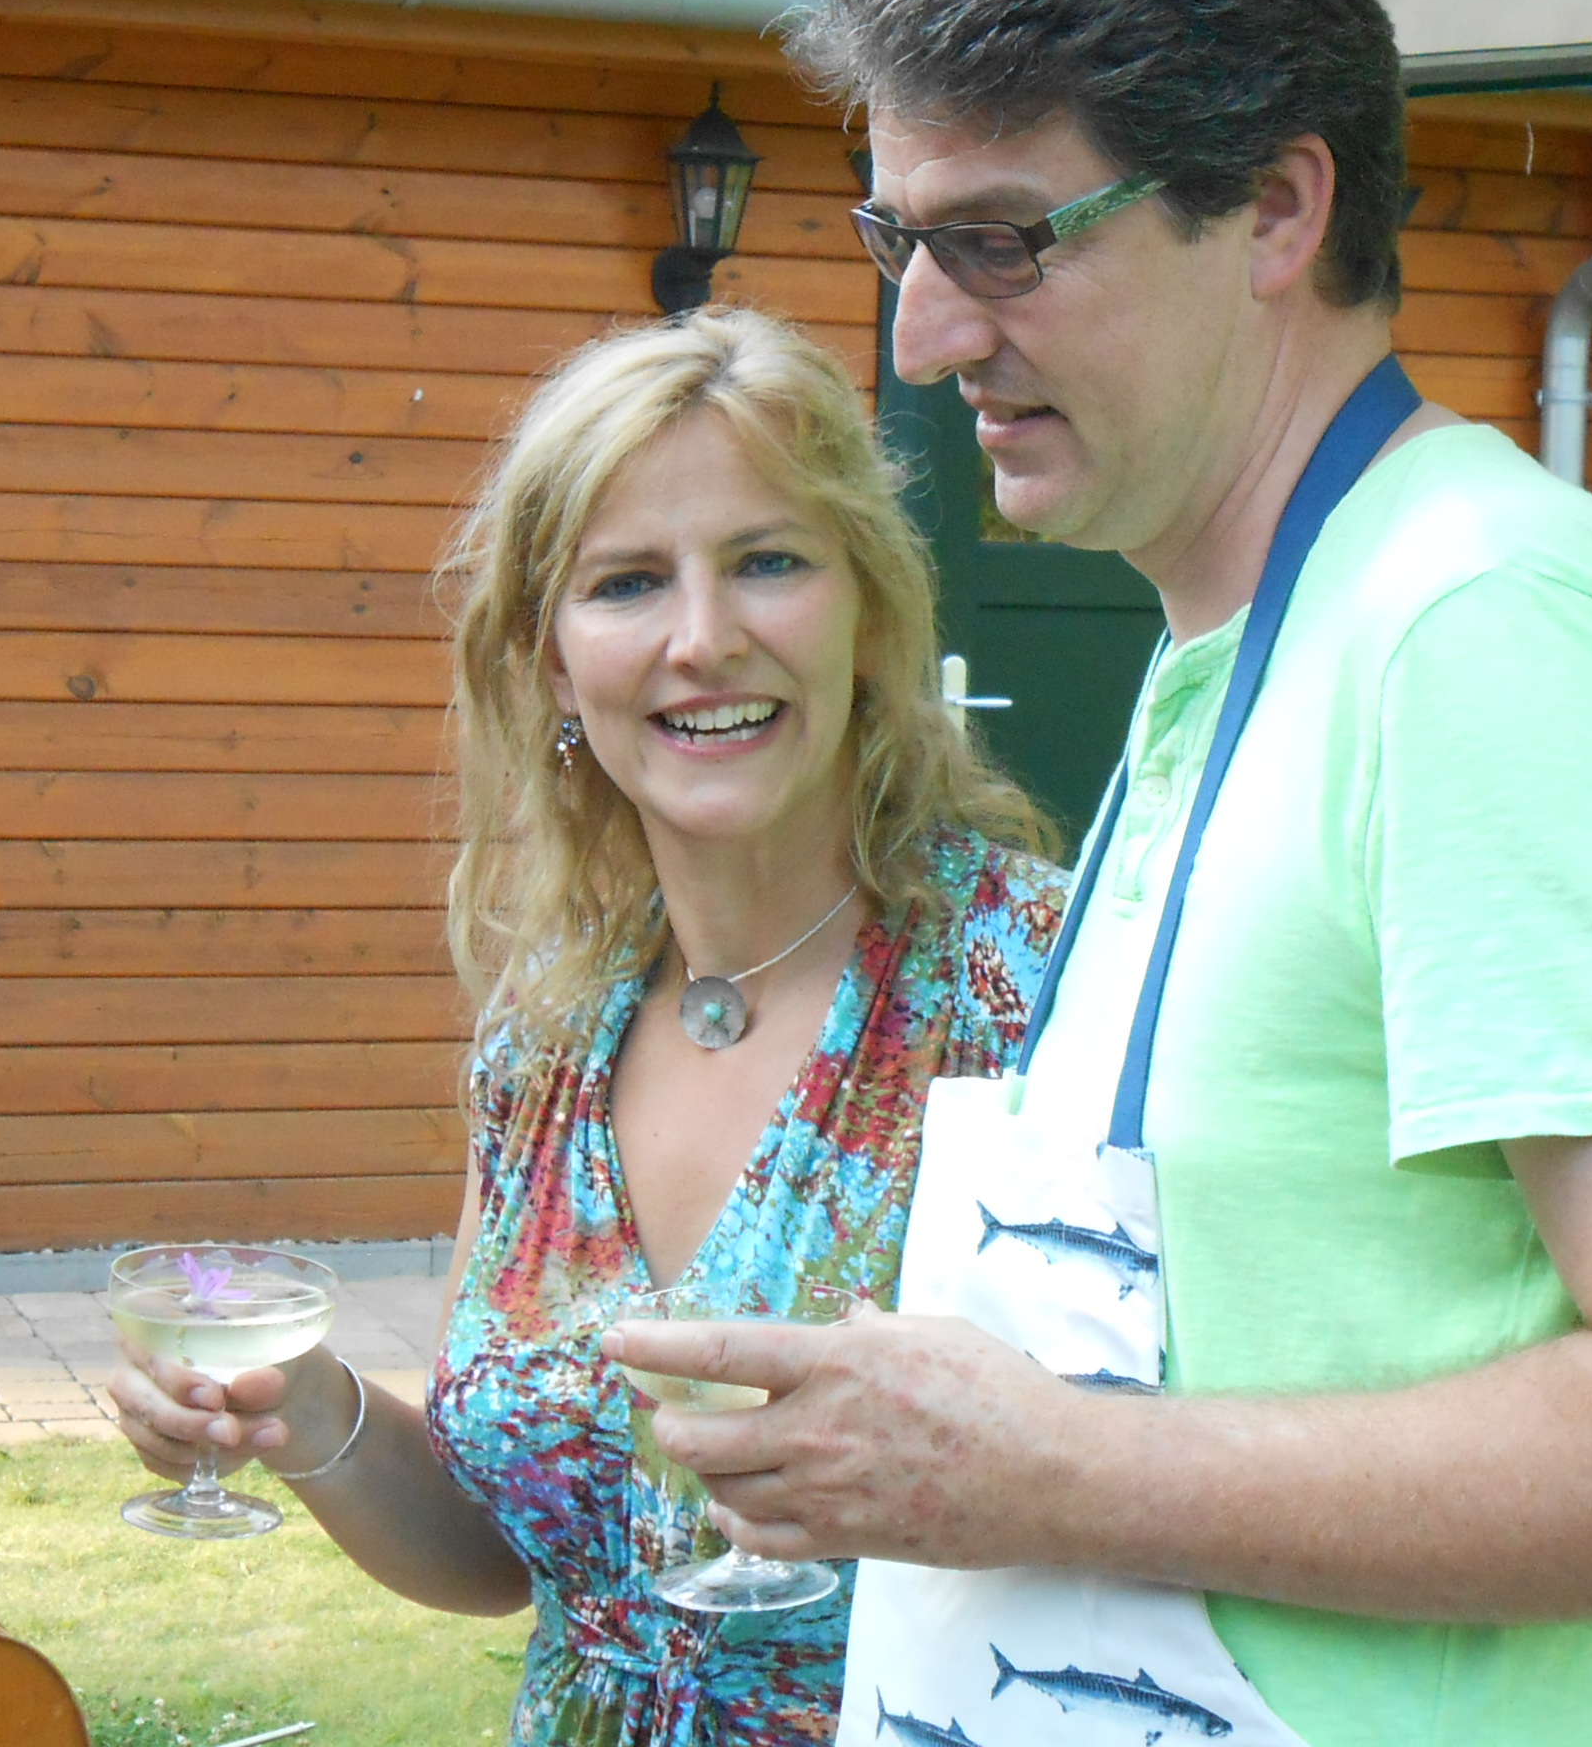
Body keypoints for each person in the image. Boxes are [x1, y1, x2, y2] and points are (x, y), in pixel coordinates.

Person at [604, 0, 1592, 1747]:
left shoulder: (1478, 627)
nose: (923, 332)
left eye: (999, 241)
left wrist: (1037, 1470)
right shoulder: (1235, 639)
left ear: (1278, 210)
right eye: (899, 240)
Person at [108, 307, 1064, 1747]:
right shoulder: (548, 1035)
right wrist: (302, 1410)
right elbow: (510, 1554)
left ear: (868, 613)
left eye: (769, 561)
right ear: (554, 662)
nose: (704, 639)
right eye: (627, 583)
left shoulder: (1034, 985)